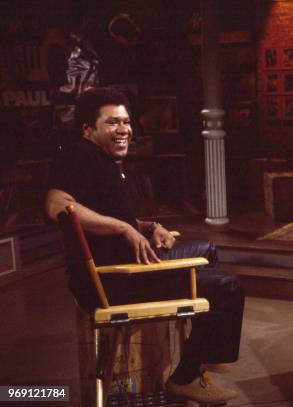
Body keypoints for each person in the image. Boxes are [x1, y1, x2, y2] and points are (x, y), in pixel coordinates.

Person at [45, 87, 244, 405]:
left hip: (125, 267)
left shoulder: (101, 160)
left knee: (207, 250)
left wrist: (149, 228)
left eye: (125, 121)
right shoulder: (79, 155)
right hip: (113, 281)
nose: (123, 129)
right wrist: (124, 229)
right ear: (87, 129)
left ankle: (205, 352)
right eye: (112, 122)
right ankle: (185, 378)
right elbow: (56, 205)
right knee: (227, 287)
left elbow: (111, 218)